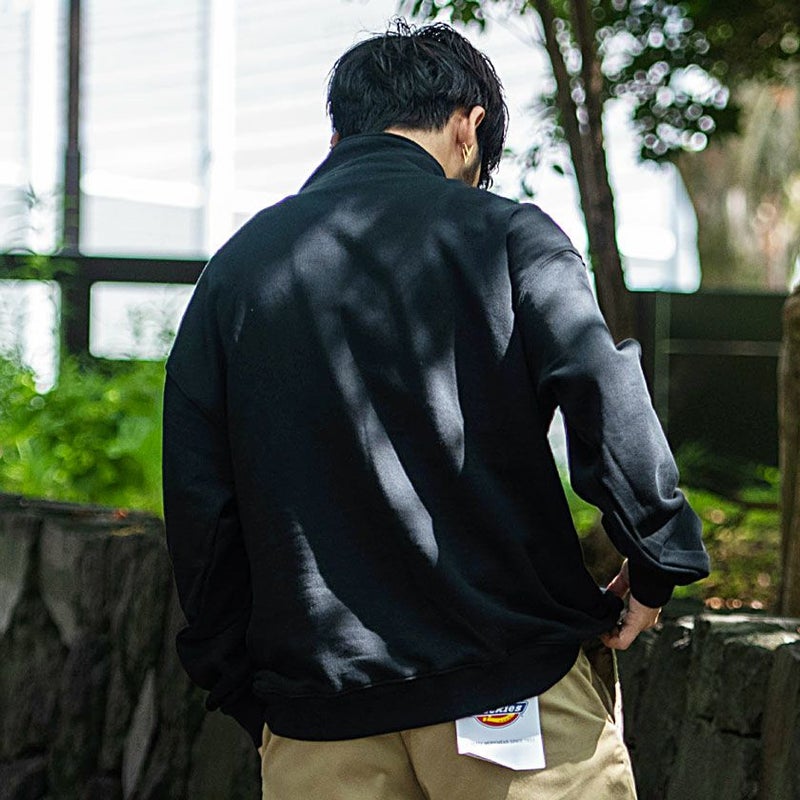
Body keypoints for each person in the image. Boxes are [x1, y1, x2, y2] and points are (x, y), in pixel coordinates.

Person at [162, 20, 709, 800]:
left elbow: (200, 507)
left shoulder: (237, 274)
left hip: (320, 718)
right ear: (468, 127)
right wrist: (656, 560)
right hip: (511, 691)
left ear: (340, 131)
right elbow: (603, 390)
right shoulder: (508, 236)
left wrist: (243, 684)